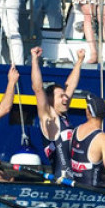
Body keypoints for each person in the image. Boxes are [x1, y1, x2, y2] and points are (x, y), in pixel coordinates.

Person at [30, 47, 86, 177]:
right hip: (61, 182)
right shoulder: (49, 117)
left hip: (77, 181)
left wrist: (79, 61)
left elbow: (70, 86)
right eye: (61, 96)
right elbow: (38, 88)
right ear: (49, 99)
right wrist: (34, 59)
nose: (65, 98)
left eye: (65, 96)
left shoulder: (64, 115)